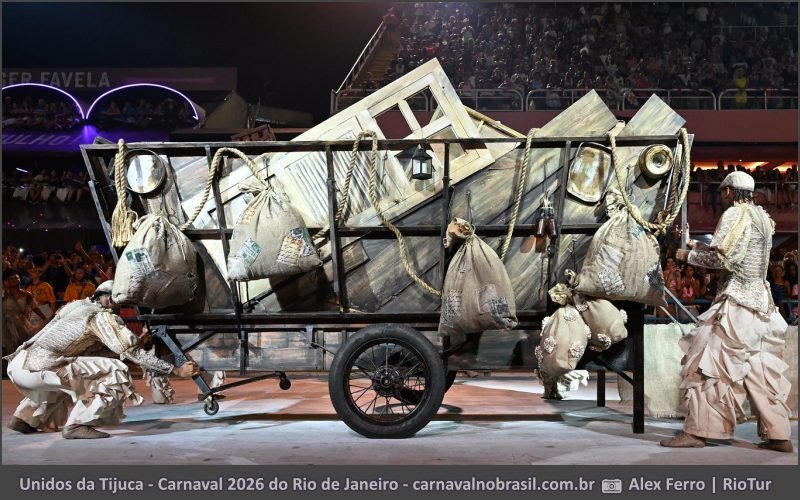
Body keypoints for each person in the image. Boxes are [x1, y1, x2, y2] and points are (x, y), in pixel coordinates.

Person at [660, 171, 792, 452]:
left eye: (723, 193)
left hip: (736, 304)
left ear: (730, 192)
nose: (722, 198)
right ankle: (779, 435)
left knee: (707, 364)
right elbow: (738, 253)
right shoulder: (762, 218)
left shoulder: (735, 215)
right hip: (763, 307)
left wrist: (687, 255)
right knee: (760, 370)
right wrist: (698, 244)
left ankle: (697, 432)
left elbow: (724, 259)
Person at [4, 280, 199, 439]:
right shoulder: (100, 317)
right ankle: (79, 424)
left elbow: (108, 350)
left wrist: (137, 341)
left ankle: (25, 419)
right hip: (41, 367)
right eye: (118, 303)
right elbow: (131, 353)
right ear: (107, 299)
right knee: (115, 370)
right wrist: (176, 370)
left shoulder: (76, 306)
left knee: (73, 376)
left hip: (20, 365)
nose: (119, 308)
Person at [3, 269, 47, 357]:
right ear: (7, 281)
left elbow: (35, 307)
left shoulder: (27, 294)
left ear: (20, 279)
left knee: (21, 347)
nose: (14, 280)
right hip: (4, 324)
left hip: (21, 323)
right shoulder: (4, 294)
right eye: (11, 278)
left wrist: (45, 318)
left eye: (16, 277)